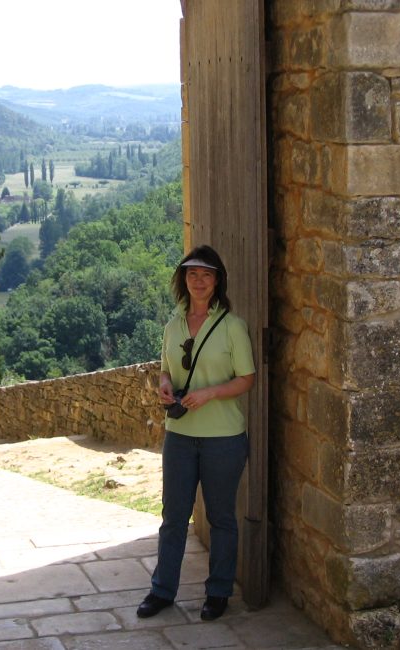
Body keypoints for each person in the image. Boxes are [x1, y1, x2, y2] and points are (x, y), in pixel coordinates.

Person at [137, 244, 255, 622]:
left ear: (217, 280)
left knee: (221, 517)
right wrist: (165, 384)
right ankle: (162, 591)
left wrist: (211, 393)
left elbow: (247, 380)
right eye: (192, 274)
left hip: (224, 436)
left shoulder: (233, 326)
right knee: (173, 516)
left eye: (206, 274)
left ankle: (218, 592)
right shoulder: (172, 326)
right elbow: (166, 369)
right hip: (181, 435)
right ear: (183, 280)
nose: (198, 281)